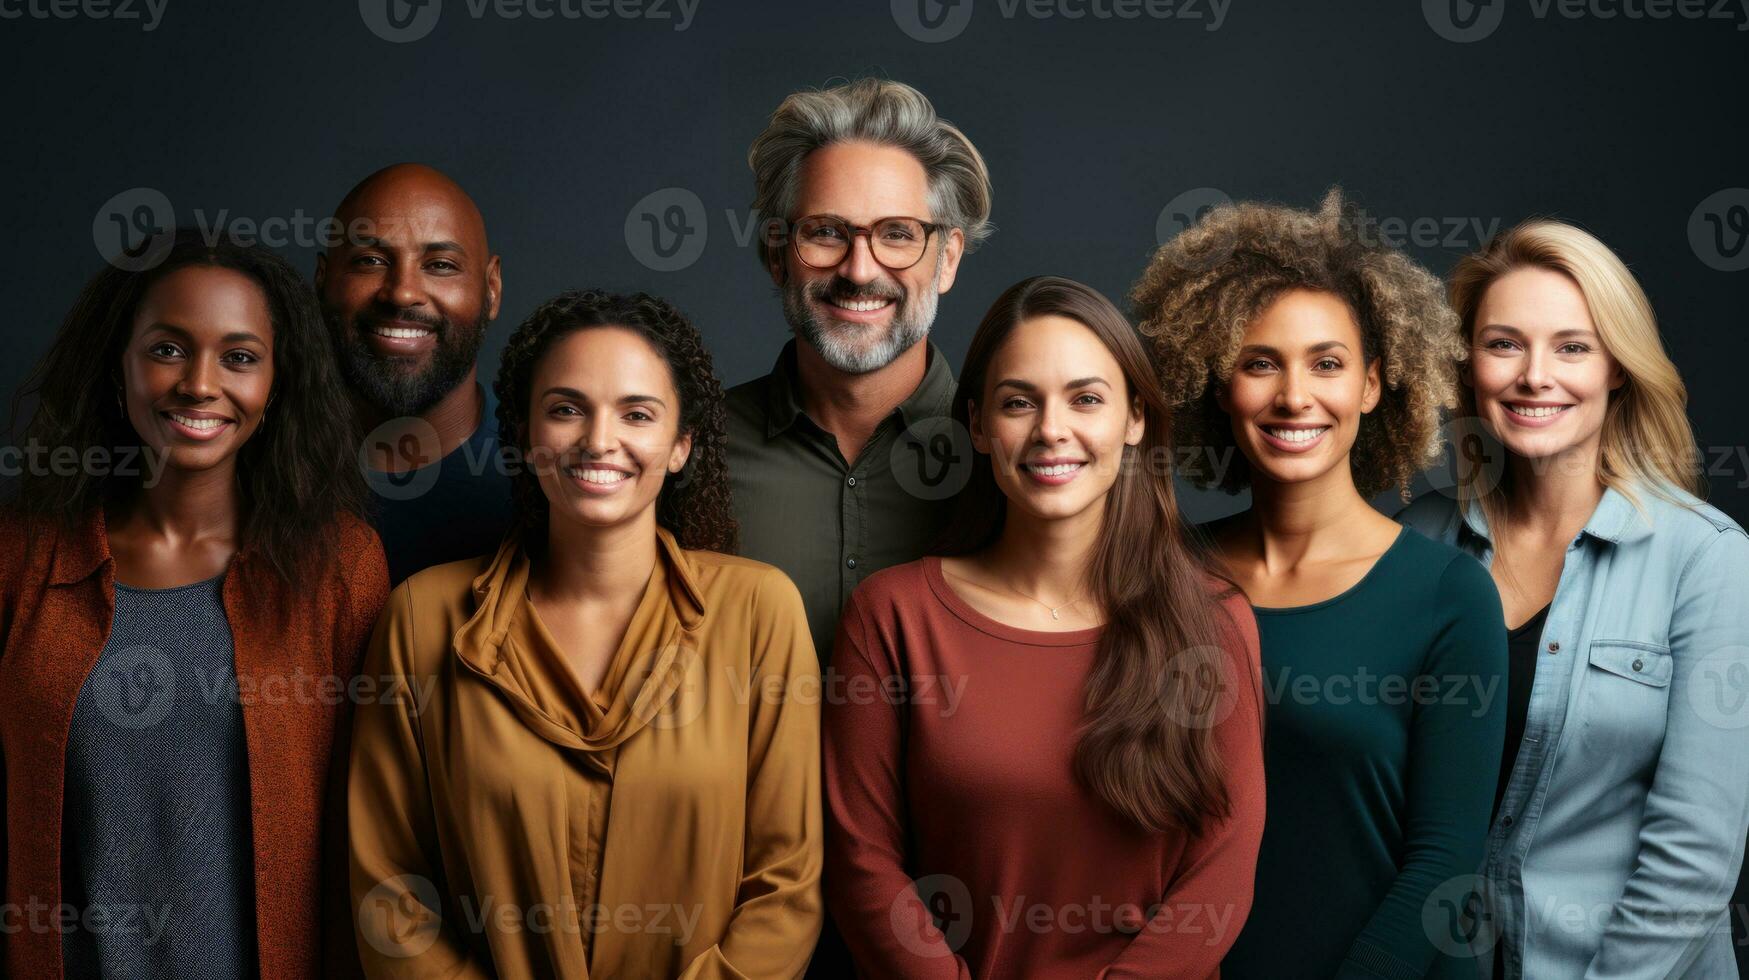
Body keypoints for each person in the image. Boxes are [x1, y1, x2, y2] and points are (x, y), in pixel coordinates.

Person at [349, 289, 822, 977]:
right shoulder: (421, 616)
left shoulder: (759, 613)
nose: (599, 440)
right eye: (566, 409)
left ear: (682, 444)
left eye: (636, 414)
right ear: (523, 435)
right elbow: (387, 889)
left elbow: (786, 888)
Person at [824, 276, 1266, 979]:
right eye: (1018, 402)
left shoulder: (1211, 621)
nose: (1050, 429)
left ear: (1135, 420)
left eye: (1086, 398)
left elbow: (1221, 868)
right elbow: (861, 860)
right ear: (976, 425)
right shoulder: (893, 616)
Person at [1134, 191, 1508, 978]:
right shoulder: (1165, 574)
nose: (1293, 396)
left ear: (1373, 386)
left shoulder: (1447, 595)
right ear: (1216, 384)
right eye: (1259, 362)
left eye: (1326, 363)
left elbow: (1444, 862)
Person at [0, 229, 387, 979]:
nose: (199, 383)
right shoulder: (19, 558)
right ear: (119, 367)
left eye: (239, 357)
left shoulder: (340, 567)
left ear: (276, 386)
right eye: (168, 349)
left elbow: (376, 832)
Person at [1397, 220, 1749, 979]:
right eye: (1502, 344)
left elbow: (1695, 854)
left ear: (1616, 367)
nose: (1534, 376)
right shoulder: (1414, 542)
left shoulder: (1705, 558)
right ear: (1467, 366)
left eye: (1571, 346)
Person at [727, 76, 993, 660]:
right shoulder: (688, 451)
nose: (859, 269)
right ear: (777, 256)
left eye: (898, 234)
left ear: (946, 259)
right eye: (826, 232)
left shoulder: (1005, 456)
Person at [317, 162, 513, 584]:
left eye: (440, 265)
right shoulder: (253, 470)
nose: (403, 291)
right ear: (322, 281)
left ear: (491, 289)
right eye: (370, 260)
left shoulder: (550, 480)